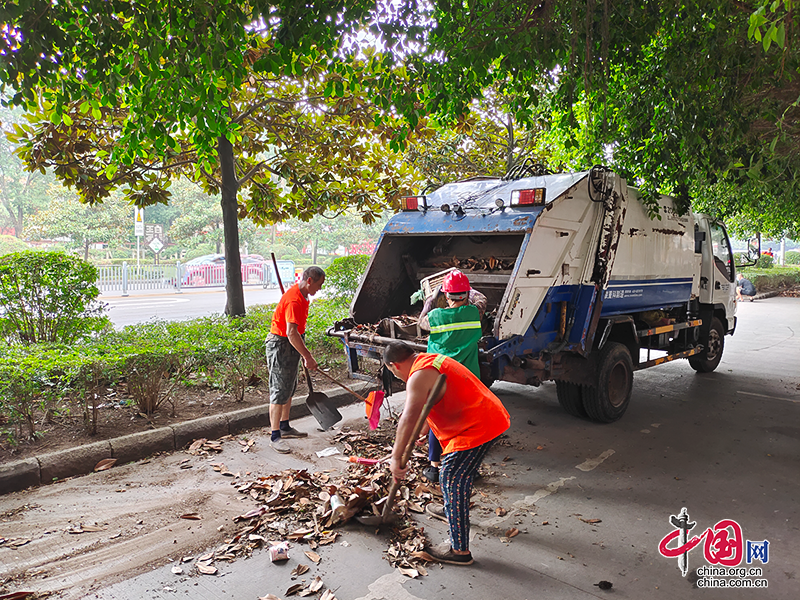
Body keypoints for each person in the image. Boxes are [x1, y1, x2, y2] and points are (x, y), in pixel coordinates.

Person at [383, 341, 510, 565]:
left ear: (394, 365)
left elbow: (408, 417)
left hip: (476, 427)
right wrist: (423, 430)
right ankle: (451, 507)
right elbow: (433, 403)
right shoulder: (429, 360)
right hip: (485, 416)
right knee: (457, 476)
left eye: (392, 372)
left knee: (451, 476)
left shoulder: (418, 376)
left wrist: (395, 458)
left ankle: (459, 550)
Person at [417, 270, 486, 483]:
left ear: (446, 296)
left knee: (440, 421)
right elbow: (482, 300)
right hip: (467, 379)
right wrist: (469, 291)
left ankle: (435, 468)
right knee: (467, 423)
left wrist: (431, 297)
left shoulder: (436, 317)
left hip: (441, 378)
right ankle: (468, 468)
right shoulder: (474, 313)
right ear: (465, 294)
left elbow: (421, 321)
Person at [265, 266, 325, 453]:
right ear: (309, 281)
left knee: (289, 387)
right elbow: (291, 333)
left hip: (291, 342)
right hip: (281, 344)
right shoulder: (294, 300)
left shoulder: (303, 295)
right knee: (278, 390)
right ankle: (275, 436)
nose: (320, 289)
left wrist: (303, 353)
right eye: (319, 284)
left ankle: (285, 426)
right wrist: (308, 356)